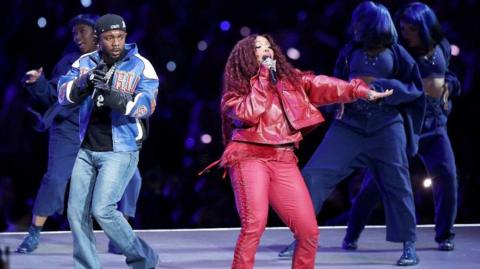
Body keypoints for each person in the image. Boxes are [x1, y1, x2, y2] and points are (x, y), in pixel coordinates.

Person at [219, 33, 391, 269]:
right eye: (259, 47)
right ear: (247, 55)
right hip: (249, 157)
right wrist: (263, 77)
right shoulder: (234, 93)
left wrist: (361, 91)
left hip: (283, 159)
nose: (267, 50)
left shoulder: (289, 81)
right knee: (254, 225)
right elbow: (250, 112)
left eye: (269, 45)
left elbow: (322, 84)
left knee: (308, 231)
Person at [277, 1, 425, 266]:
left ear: (373, 23)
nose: (353, 26)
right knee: (313, 175)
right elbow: (334, 84)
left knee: (397, 186)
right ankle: (302, 236)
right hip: (349, 127)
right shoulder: (348, 52)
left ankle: (409, 245)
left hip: (385, 129)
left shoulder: (397, 53)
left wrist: (383, 86)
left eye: (359, 21)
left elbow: (414, 88)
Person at [16, 14, 142, 255]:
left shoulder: (121, 61)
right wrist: (38, 82)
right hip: (70, 130)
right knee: (55, 179)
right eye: (74, 33)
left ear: (97, 34)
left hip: (104, 129)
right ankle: (34, 233)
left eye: (81, 31)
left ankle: (119, 236)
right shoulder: (70, 62)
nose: (76, 36)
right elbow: (54, 96)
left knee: (132, 178)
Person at [341, 1, 461, 252]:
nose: (405, 33)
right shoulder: (396, 52)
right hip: (405, 128)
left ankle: (445, 236)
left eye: (411, 29)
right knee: (375, 184)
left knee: (447, 177)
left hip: (436, 126)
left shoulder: (442, 46)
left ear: (425, 27)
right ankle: (352, 233)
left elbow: (448, 75)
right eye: (403, 28)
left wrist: (450, 85)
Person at [58, 14, 158, 268]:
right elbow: (62, 94)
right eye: (109, 38)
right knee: (75, 213)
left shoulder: (140, 65)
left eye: (120, 37)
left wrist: (113, 97)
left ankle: (144, 259)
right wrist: (84, 82)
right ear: (98, 38)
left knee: (102, 210)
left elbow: (147, 105)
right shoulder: (85, 62)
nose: (115, 43)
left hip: (121, 149)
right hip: (87, 148)